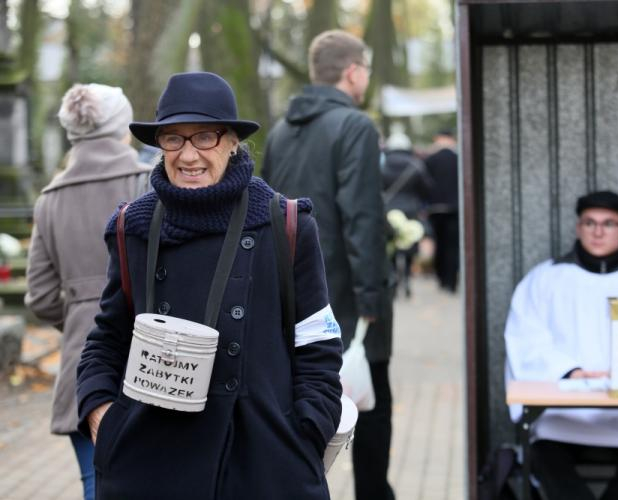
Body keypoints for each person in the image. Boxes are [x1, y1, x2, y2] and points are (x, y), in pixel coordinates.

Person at [75, 72, 343, 499]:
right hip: (151, 465)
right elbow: (106, 339)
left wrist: (309, 428)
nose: (188, 155)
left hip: (265, 464)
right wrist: (102, 416)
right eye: (173, 139)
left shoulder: (285, 223)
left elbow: (317, 344)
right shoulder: (133, 228)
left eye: (204, 137)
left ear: (233, 141)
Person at [262, 30, 396, 500]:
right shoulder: (355, 127)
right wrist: (373, 299)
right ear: (352, 71)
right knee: (372, 407)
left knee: (302, 409)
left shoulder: (279, 132)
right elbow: (363, 218)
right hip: (348, 300)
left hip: (290, 301)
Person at [504, 191, 618, 500]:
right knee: (543, 450)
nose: (598, 231)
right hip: (562, 414)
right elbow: (525, 338)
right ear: (578, 227)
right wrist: (570, 372)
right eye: (589, 222)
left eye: (608, 224)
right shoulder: (544, 279)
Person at [24, 83, 151, 500]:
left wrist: (82, 314)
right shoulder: (148, 182)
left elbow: (40, 297)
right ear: (123, 127)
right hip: (153, 358)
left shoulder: (49, 199)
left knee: (97, 485)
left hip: (84, 366)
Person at [381, 129, 432, 297]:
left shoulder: (381, 163)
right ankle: (407, 279)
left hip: (387, 209)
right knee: (409, 244)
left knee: (390, 246)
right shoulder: (416, 164)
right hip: (411, 209)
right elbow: (427, 188)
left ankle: (393, 278)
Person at [424, 129, 459, 292]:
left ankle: (440, 277)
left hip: (435, 208)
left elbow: (424, 184)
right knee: (453, 245)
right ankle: (451, 281)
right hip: (455, 208)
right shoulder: (458, 158)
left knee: (439, 243)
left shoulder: (430, 159)